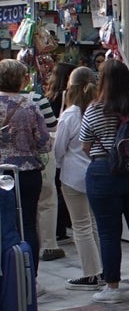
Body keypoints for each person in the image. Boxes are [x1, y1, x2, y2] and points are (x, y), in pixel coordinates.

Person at [78, 60, 129, 303]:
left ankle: (112, 288)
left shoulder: (94, 109)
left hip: (104, 174)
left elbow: (85, 145)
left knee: (109, 233)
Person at [53, 67, 103, 290]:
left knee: (81, 226)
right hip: (96, 173)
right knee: (93, 225)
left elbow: (58, 149)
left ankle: (91, 273)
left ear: (70, 88)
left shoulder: (70, 114)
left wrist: (58, 165)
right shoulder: (100, 110)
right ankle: (102, 269)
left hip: (73, 177)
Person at [0, 60, 49, 272]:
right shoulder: (30, 105)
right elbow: (44, 142)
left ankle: (6, 275)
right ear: (21, 79)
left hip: (1, 173)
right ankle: (29, 276)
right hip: (27, 172)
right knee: (28, 223)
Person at [23, 68, 60, 262]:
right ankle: (48, 245)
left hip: (5, 168)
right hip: (37, 160)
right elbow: (52, 128)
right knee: (46, 201)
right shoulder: (36, 99)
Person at [47, 61, 75, 245]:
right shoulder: (68, 100)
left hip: (54, 144)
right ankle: (62, 226)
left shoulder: (49, 97)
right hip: (65, 145)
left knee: (57, 187)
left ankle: (58, 228)